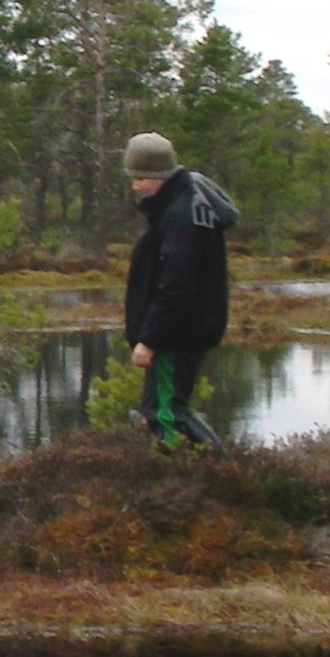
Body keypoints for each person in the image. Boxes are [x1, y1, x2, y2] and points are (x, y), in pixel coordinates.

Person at [121, 133, 236, 450]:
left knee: (165, 411)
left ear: (155, 176)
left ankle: (184, 478)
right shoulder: (184, 204)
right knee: (168, 407)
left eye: (138, 178)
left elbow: (175, 285)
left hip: (177, 334)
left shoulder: (181, 214)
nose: (134, 187)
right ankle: (213, 472)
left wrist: (150, 339)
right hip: (183, 330)